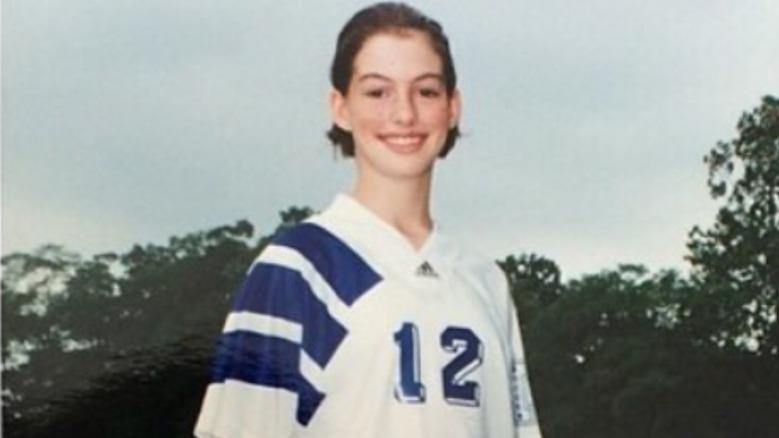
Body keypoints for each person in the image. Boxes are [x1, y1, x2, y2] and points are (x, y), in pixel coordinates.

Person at [194, 3, 542, 437]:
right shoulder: (297, 269)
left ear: (453, 107)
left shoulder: (486, 281)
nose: (404, 114)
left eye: (427, 91)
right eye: (378, 92)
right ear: (340, 107)